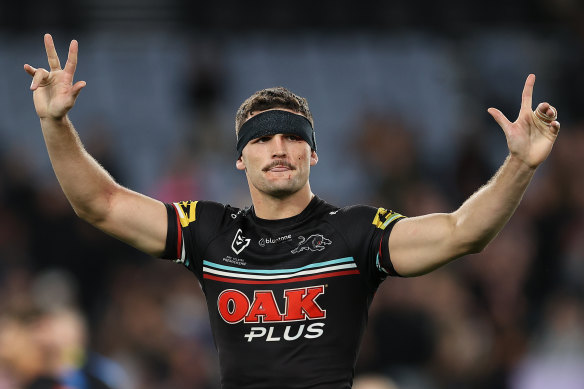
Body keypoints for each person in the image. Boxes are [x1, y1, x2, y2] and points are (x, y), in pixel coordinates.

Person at [24, 34, 560, 389]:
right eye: (262, 140)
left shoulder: (354, 232)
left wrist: (519, 164)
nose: (278, 148)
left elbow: (462, 232)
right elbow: (102, 204)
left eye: (291, 138)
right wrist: (55, 123)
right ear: (240, 158)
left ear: (313, 153)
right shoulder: (207, 230)